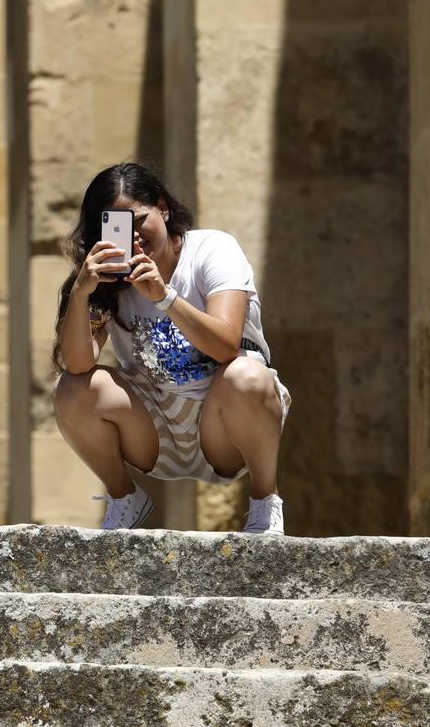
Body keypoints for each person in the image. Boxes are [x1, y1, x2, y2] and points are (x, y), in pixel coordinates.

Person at [52, 163, 290, 535]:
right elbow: (77, 364)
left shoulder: (213, 249)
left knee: (246, 374)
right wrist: (82, 291)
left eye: (139, 220)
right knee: (72, 388)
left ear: (162, 208)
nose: (132, 237)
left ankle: (264, 501)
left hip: (226, 422)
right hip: (155, 426)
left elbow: (227, 345)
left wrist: (165, 298)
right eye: (117, 227)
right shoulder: (106, 281)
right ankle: (123, 497)